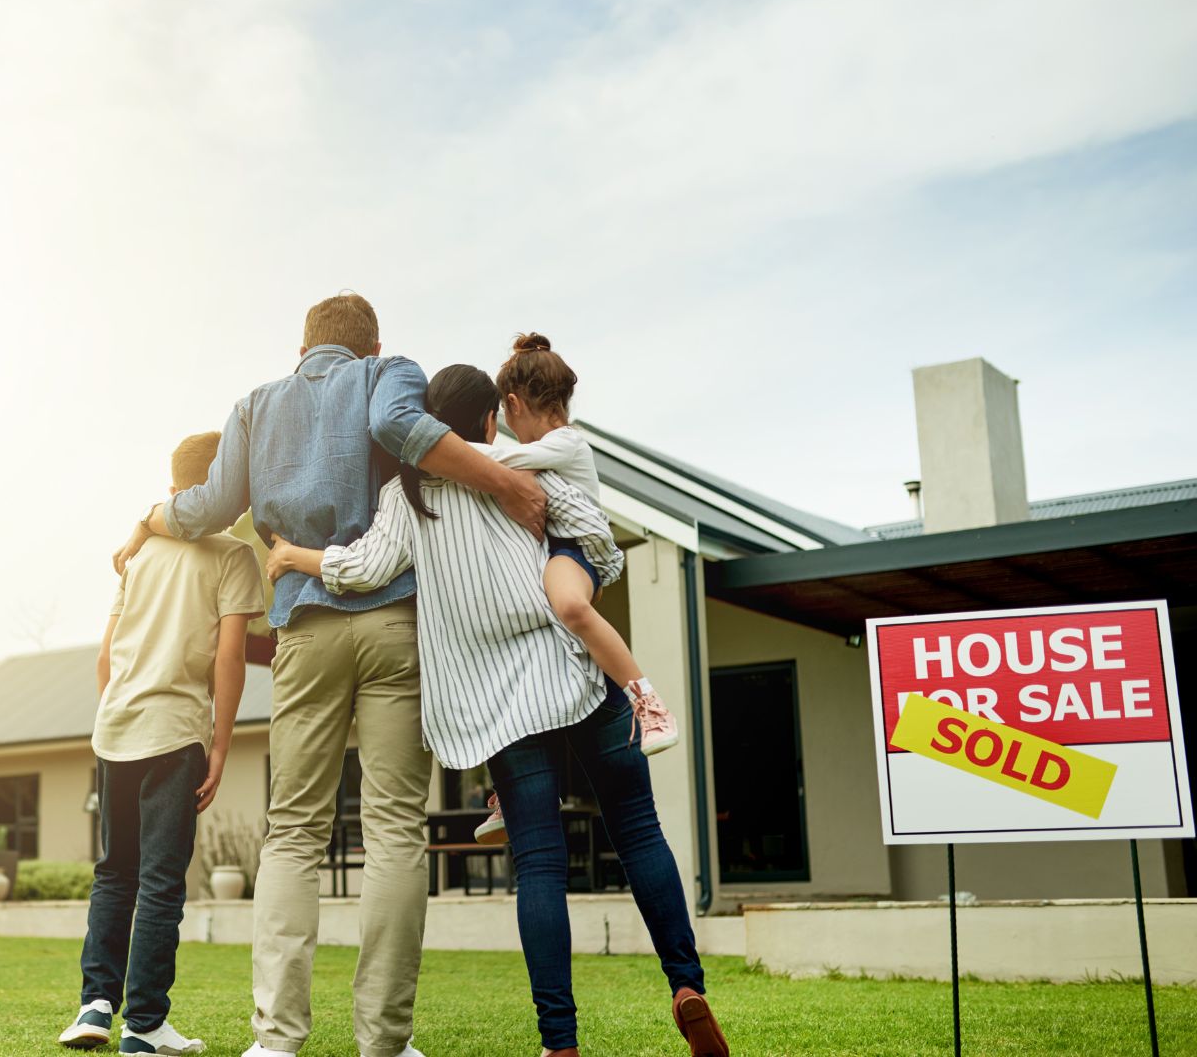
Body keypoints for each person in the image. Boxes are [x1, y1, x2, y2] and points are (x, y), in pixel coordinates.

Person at [113, 292, 547, 1057]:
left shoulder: (256, 403)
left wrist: (152, 515)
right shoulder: (389, 373)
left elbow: (210, 506)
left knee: (293, 834)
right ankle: (384, 1041)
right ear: (371, 344)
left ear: (303, 346)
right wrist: (504, 481)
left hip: (305, 627)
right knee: (392, 832)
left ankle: (276, 1041)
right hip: (393, 624)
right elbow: (398, 430)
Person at [267, 363, 726, 1057]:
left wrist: (294, 556)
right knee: (637, 832)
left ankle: (560, 1042)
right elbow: (595, 539)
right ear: (489, 420)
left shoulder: (406, 492)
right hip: (572, 677)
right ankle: (686, 985)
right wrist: (576, 573)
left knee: (540, 864)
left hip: (500, 710)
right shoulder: (517, 466)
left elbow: (364, 568)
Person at [61, 431, 266, 1055]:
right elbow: (230, 657)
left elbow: (105, 656)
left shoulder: (139, 553)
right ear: (224, 488)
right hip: (174, 733)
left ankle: (95, 1005)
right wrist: (221, 745)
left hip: (116, 729)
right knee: (160, 882)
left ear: (175, 486)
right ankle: (144, 1024)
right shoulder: (233, 555)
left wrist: (116, 716)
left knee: (113, 873)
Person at [471, 333, 680, 846]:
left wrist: (436, 449)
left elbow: (496, 465)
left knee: (566, 605)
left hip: (574, 553)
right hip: (550, 557)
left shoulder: (565, 443)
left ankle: (646, 700)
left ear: (514, 405)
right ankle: (506, 789)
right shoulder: (549, 446)